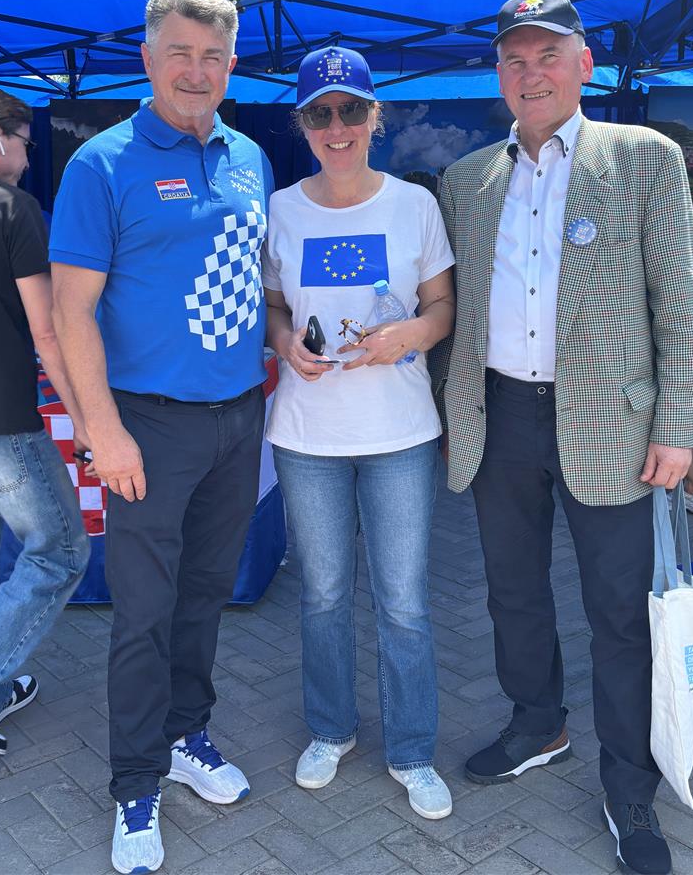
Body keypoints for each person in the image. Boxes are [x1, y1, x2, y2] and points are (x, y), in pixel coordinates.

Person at [428, 0, 693, 875]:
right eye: (515, 58)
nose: (531, 72)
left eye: (548, 55)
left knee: (619, 614)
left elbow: (680, 305)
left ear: (584, 64)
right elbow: (454, 311)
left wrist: (679, 426)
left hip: (612, 424)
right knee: (512, 592)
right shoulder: (467, 179)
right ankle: (537, 724)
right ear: (498, 74)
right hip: (501, 414)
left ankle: (629, 786)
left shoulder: (645, 158)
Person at [50, 0, 273, 875]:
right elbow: (71, 313)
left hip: (238, 419)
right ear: (147, 58)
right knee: (143, 611)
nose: (196, 71)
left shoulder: (250, 155)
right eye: (179, 52)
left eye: (213, 56)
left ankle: (187, 735)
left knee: (205, 594)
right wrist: (102, 432)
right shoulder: (100, 165)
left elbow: (252, 276)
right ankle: (135, 783)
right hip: (146, 424)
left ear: (231, 66)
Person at [263, 46, 456, 820]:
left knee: (404, 602)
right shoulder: (281, 209)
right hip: (308, 434)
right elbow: (274, 306)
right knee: (323, 595)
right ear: (303, 124)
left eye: (350, 110)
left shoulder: (414, 205)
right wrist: (285, 343)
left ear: (375, 118)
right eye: (321, 113)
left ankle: (412, 750)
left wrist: (411, 333)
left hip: (400, 432)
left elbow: (442, 306)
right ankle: (330, 729)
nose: (336, 126)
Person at [0, 85, 89, 756]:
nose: (27, 154)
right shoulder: (11, 208)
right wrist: (86, 421)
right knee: (61, 550)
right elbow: (49, 333)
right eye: (24, 140)